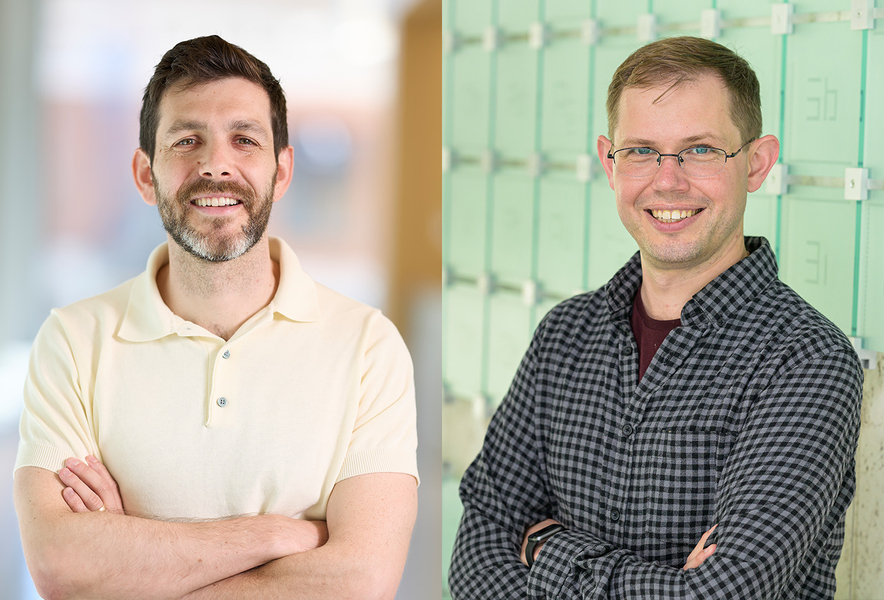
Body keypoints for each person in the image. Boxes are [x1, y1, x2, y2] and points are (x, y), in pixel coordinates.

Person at [449, 36, 862, 599]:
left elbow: (720, 594)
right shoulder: (564, 337)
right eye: (641, 150)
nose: (667, 181)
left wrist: (545, 547)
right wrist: (660, 582)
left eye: (700, 150)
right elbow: (478, 551)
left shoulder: (807, 360)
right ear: (609, 163)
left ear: (757, 163)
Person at [14, 35, 418, 599]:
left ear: (281, 171)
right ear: (144, 174)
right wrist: (279, 536)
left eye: (244, 140)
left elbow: (360, 580)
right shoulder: (73, 340)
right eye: (186, 140)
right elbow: (62, 565)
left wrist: (132, 558)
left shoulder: (369, 346)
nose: (215, 166)